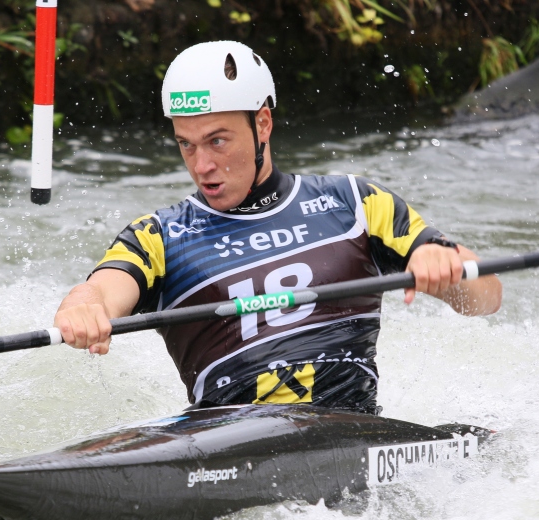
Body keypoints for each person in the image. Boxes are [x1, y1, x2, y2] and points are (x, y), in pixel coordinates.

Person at [54, 41, 502, 413]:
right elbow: (101, 289)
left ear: (262, 122)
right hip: (224, 445)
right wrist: (83, 307)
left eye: (218, 140)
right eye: (186, 146)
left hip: (349, 433)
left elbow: (487, 298)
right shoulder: (161, 235)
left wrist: (444, 267)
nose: (202, 165)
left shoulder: (356, 203)